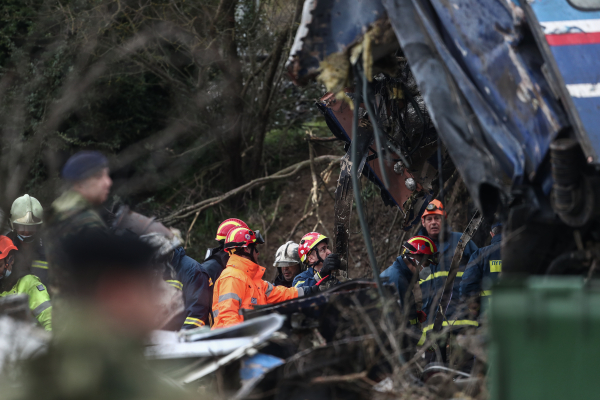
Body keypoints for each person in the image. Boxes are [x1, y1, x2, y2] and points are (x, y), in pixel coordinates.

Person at [11, 231, 192, 400]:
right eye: (147, 291)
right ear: (117, 295)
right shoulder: (140, 388)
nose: (154, 304)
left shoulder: (27, 381)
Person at [44, 151, 112, 329]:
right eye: (99, 176)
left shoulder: (59, 214)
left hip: (63, 318)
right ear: (80, 184)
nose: (108, 182)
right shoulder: (86, 222)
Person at [212, 227, 320, 329]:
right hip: (235, 343)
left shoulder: (254, 281)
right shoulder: (232, 278)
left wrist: (309, 290)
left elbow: (281, 294)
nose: (258, 253)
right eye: (255, 249)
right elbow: (227, 317)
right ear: (246, 249)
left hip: (250, 338)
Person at [418, 199, 478, 324]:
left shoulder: (461, 241)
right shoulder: (417, 249)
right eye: (429, 219)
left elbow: (480, 269)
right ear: (423, 222)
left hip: (461, 320)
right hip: (431, 324)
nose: (433, 222)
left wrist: (474, 302)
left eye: (437, 218)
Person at [380, 236, 438, 327]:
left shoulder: (400, 276)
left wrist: (413, 313)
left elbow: (398, 311)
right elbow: (401, 327)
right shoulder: (397, 280)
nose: (428, 269)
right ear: (414, 260)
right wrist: (425, 340)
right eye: (426, 264)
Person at [0, 235, 52, 331]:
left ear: (11, 260)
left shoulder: (29, 283)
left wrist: (52, 344)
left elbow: (49, 318)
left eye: (0, 265)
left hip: (28, 342)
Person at [460, 222, 502, 319]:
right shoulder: (523, 253)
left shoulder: (480, 254)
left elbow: (467, 285)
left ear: (492, 234)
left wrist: (476, 307)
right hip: (519, 314)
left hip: (489, 314)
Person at [6, 194, 49, 288]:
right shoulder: (4, 247)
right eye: (21, 227)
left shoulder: (49, 246)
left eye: (31, 227)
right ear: (12, 225)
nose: (26, 232)